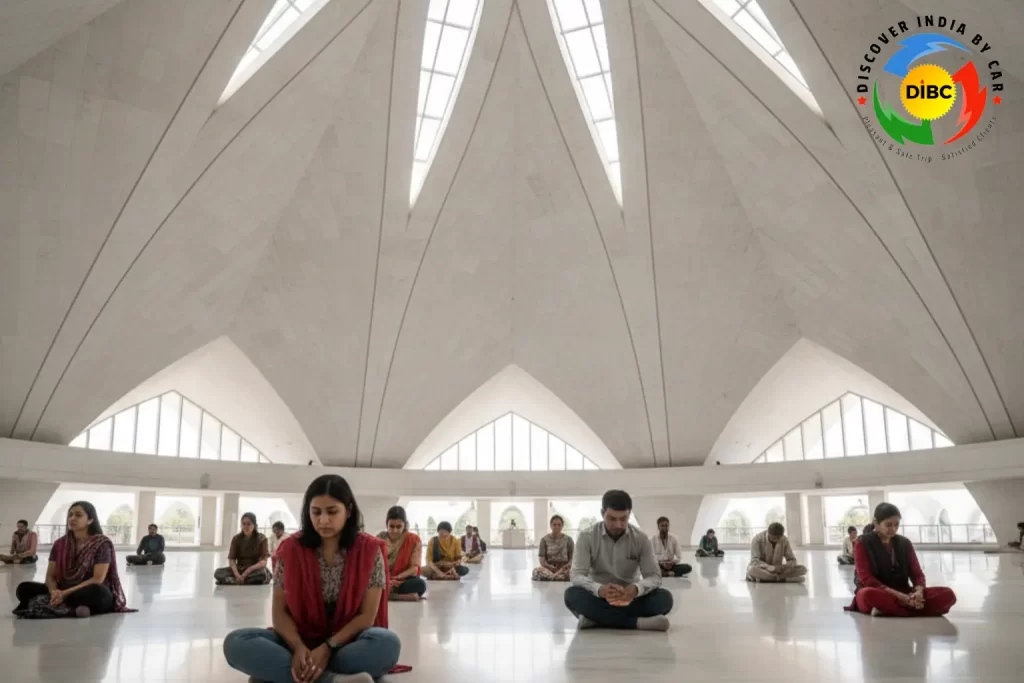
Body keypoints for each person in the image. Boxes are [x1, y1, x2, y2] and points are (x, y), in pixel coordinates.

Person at [223, 474, 401, 683]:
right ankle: (331, 680)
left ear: (349, 511)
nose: (323, 520)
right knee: (235, 642)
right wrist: (298, 647)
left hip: (346, 644)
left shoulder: (370, 550)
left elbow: (367, 617)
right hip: (299, 641)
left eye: (332, 512)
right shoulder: (290, 550)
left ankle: (283, 673)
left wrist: (328, 647)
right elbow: (279, 613)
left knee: (387, 644)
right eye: (316, 512)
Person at [564, 490, 673, 631]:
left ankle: (596, 619)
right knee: (571, 595)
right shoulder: (587, 537)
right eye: (612, 519)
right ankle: (637, 623)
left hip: (631, 599)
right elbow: (577, 575)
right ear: (602, 513)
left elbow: (654, 576)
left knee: (665, 598)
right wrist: (600, 589)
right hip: (598, 597)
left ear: (629, 514)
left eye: (624, 519)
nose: (618, 525)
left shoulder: (641, 538)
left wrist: (635, 589)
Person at [13, 501, 134, 618]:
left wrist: (64, 594)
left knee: (99, 593)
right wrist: (54, 592)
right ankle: (75, 608)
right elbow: (50, 576)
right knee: (23, 589)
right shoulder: (59, 544)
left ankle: (60, 605)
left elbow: (98, 578)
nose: (72, 518)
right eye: (70, 515)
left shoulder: (101, 544)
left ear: (90, 520)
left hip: (86, 590)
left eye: (78, 515)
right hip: (63, 588)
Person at [845, 502, 957, 617]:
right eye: (888, 525)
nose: (893, 529)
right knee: (866, 595)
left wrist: (918, 592)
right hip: (880, 592)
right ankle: (912, 608)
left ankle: (890, 610)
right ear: (876, 523)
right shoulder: (863, 542)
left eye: (896, 525)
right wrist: (901, 597)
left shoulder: (905, 543)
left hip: (905, 592)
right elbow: (867, 579)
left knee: (948, 594)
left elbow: (917, 574)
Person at [377, 506, 426, 601]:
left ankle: (384, 595)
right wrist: (388, 580)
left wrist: (397, 578)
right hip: (382, 578)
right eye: (391, 526)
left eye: (399, 527)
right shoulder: (379, 538)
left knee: (420, 584)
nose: (395, 530)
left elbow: (414, 568)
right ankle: (399, 596)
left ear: (405, 525)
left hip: (403, 579)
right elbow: (373, 565)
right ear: (386, 524)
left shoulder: (413, 539)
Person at [215, 512, 271, 585]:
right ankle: (242, 580)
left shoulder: (262, 539)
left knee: (262, 574)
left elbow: (263, 562)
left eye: (249, 524)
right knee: (218, 573)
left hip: (254, 570)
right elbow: (232, 560)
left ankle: (234, 581)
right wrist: (237, 574)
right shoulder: (236, 539)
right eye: (243, 524)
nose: (246, 526)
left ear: (254, 525)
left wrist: (248, 571)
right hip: (240, 569)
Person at [533, 514, 575, 581]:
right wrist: (550, 567)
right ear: (551, 526)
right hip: (549, 568)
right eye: (554, 525)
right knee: (537, 571)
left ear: (562, 526)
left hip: (564, 568)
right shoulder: (544, 540)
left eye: (559, 525)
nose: (557, 527)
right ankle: (557, 577)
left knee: (575, 573)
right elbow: (542, 560)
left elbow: (572, 558)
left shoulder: (569, 540)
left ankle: (553, 577)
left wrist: (564, 568)